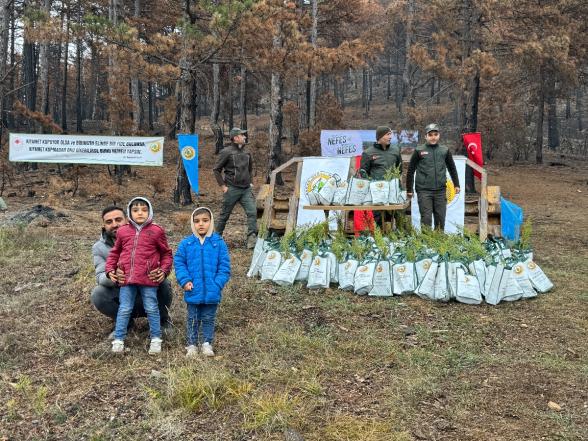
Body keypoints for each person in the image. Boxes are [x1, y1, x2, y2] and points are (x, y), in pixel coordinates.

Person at [91, 206, 173, 337]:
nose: (114, 224)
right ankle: (125, 323)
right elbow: (100, 276)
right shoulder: (99, 247)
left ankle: (163, 320)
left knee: (164, 283)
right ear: (104, 225)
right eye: (109, 222)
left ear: (127, 220)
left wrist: (162, 271)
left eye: (118, 219)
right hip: (123, 292)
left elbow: (166, 255)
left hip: (148, 289)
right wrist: (112, 276)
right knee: (98, 293)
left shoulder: (150, 235)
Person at [174, 207, 231, 357]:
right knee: (192, 318)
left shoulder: (218, 243)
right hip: (193, 290)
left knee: (208, 318)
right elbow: (179, 263)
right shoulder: (186, 244)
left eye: (205, 221)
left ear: (211, 222)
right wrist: (185, 280)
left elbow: (224, 267)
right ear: (192, 223)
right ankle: (191, 344)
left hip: (212, 291)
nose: (201, 224)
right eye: (197, 221)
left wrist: (217, 283)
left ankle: (206, 343)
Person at [406, 123, 460, 231]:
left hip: (440, 190)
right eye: (430, 135)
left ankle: (438, 245)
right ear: (426, 136)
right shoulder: (419, 151)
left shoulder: (445, 150)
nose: (433, 137)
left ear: (439, 135)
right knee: (426, 219)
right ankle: (426, 245)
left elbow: (452, 168)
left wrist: (456, 184)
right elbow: (411, 171)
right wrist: (409, 189)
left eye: (435, 134)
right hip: (424, 191)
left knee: (440, 220)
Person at [213, 127, 257, 249]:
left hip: (246, 190)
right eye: (242, 135)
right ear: (236, 138)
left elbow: (250, 169)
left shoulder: (247, 152)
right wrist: (223, 186)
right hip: (231, 189)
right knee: (224, 215)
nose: (245, 137)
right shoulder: (226, 152)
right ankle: (216, 239)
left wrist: (251, 182)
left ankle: (252, 239)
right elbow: (216, 170)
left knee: (252, 212)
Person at [359, 125, 403, 228]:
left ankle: (396, 240)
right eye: (388, 134)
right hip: (376, 194)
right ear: (380, 137)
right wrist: (373, 184)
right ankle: (378, 240)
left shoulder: (395, 150)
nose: (390, 137)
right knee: (377, 220)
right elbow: (363, 172)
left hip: (393, 192)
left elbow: (399, 169)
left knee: (395, 217)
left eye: (390, 134)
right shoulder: (368, 153)